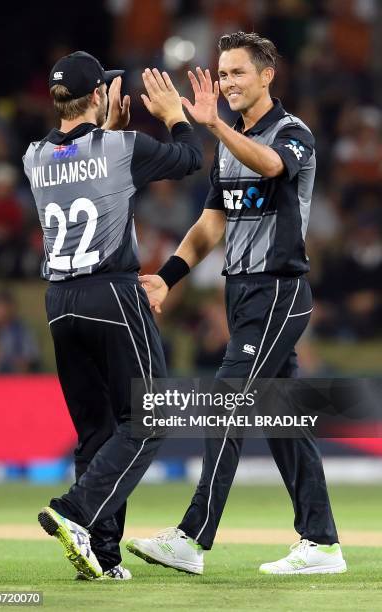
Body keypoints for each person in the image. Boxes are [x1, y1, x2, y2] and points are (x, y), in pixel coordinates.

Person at [127, 32, 346, 575]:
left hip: (279, 290)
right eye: (222, 75)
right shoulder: (229, 145)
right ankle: (321, 544)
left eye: (237, 73)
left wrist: (214, 125)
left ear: (268, 75)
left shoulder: (294, 134)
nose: (226, 83)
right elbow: (210, 225)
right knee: (282, 418)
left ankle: (192, 538)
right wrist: (167, 278)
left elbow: (272, 166)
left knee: (226, 400)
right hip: (241, 294)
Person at [22, 50, 202, 581]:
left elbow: (84, 165)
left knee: (97, 431)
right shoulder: (121, 147)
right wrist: (173, 113)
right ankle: (75, 511)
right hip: (112, 293)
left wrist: (110, 131)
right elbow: (189, 158)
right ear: (99, 95)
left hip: (58, 303)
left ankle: (101, 554)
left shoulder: (34, 156)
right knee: (153, 417)